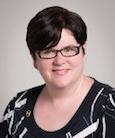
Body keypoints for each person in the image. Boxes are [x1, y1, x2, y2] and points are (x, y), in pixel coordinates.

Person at [0, 6, 115, 138]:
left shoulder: (109, 107)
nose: (59, 61)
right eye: (48, 51)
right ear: (34, 59)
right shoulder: (17, 108)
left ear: (83, 50)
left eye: (68, 49)